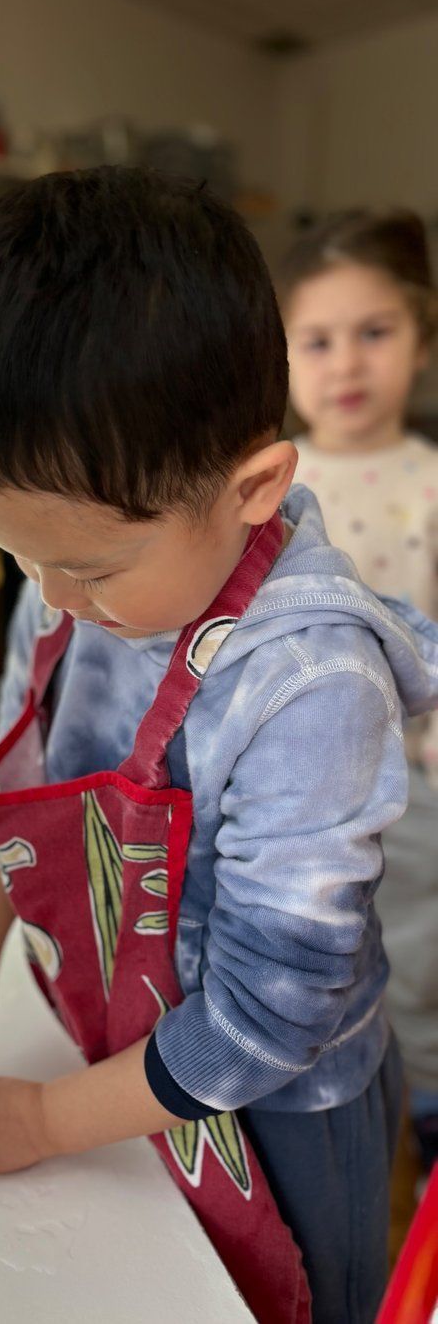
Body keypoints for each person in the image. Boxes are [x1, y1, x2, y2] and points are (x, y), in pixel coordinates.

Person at [0, 167, 438, 1324]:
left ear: (253, 487)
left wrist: (42, 1119)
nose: (49, 599)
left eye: (85, 566)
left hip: (278, 1109)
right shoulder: (76, 573)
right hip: (112, 1047)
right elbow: (25, 774)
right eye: (12, 554)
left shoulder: (309, 683)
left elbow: (264, 1021)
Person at [282, 210, 438, 1172]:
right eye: (318, 339)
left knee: (415, 958)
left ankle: (424, 1112)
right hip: (298, 792)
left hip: (410, 782)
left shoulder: (430, 480)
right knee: (322, 976)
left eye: (374, 332)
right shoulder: (266, 482)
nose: (347, 362)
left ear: (420, 341)